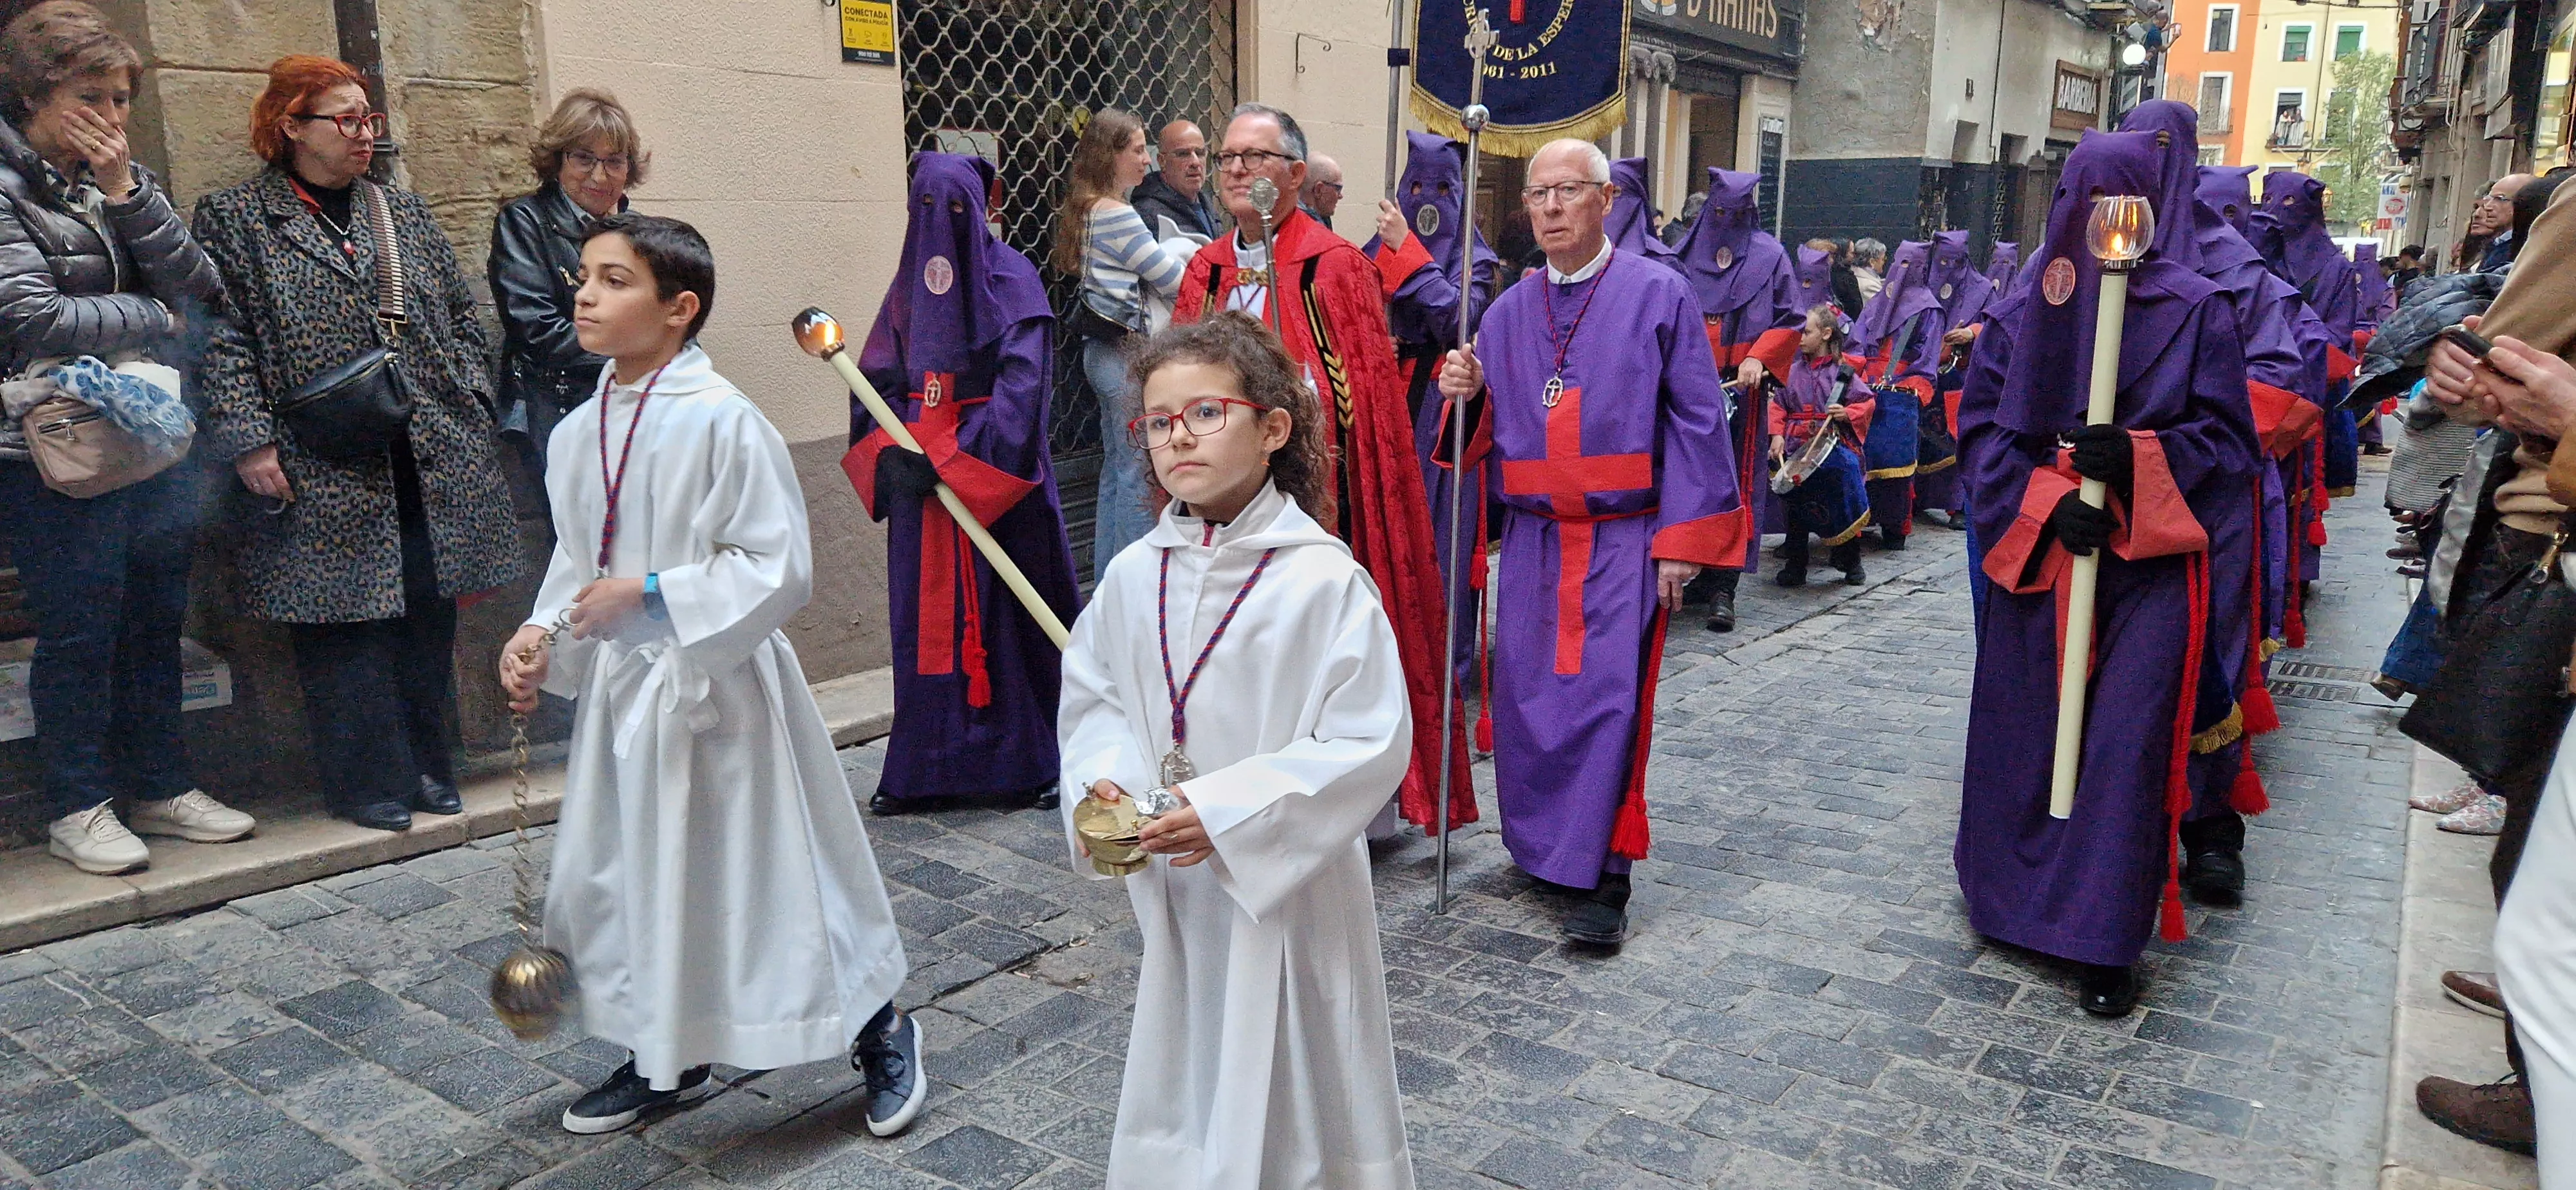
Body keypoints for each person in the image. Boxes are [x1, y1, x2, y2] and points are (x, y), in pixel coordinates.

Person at [497, 212, 923, 1139]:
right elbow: (577, 561)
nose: (585, 294)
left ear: (679, 309)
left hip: (722, 692)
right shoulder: (577, 433)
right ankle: (667, 1052)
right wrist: (539, 633)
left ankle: (879, 1023)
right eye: (584, 276)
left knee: (778, 876)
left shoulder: (727, 423)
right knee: (647, 878)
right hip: (626, 699)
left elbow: (778, 566)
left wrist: (652, 593)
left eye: (615, 280)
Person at [1058, 312, 1417, 1189]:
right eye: (1157, 420)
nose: (1178, 435)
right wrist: (1104, 781)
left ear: (1273, 427)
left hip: (1288, 891)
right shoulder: (1136, 574)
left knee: (1298, 1072)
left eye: (1206, 413)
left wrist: (1227, 812)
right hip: (1182, 889)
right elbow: (1097, 696)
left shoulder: (1321, 580)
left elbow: (1369, 740)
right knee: (1192, 1063)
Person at [1956, 129, 2264, 1019]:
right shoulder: (2022, 317)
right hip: (2043, 560)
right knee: (2024, 731)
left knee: (2126, 749)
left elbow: (2229, 441)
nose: (2097, 226)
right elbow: (1984, 435)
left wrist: (2138, 458)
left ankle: (2100, 935)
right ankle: (2011, 899)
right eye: (2079, 204)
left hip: (2147, 569)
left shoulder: (2197, 309)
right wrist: (2049, 499)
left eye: (2117, 205)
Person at [194, 55, 520, 833]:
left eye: (368, 119)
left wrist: (471, 397)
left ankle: (430, 767)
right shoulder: (236, 218)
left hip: (428, 448)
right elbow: (222, 339)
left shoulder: (399, 212)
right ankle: (363, 781)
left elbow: (459, 311)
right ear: (290, 128)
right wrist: (248, 440)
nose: (363, 134)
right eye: (344, 120)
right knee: (342, 629)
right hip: (317, 455)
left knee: (425, 612)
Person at [1435, 138, 1748, 946]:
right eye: (1536, 196)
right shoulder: (1504, 312)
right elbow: (1480, 438)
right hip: (1536, 543)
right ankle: (1542, 848)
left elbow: (1694, 419)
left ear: (1605, 201)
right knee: (1531, 701)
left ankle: (1606, 874)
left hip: (1623, 537)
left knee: (1608, 701)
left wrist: (1683, 538)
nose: (1547, 208)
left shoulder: (1657, 293)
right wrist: (1462, 394)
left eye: (1567, 192)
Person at [1171, 101, 1470, 836]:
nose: (1238, 170)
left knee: (1318, 647)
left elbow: (1365, 398)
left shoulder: (1335, 267)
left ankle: (1349, 807)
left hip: (1319, 498)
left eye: (1257, 157)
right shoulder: (1205, 269)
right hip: (1226, 503)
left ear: (1296, 175)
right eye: (1228, 158)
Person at [0, 0, 245, 874]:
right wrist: (149, 313)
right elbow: (31, 313)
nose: (110, 119)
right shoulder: (5, 186)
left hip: (143, 433)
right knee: (82, 625)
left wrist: (127, 196)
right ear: (35, 92)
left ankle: (162, 784)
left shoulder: (116, 180)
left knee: (154, 616)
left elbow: (200, 281)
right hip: (47, 448)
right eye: (91, 97)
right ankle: (77, 802)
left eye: (120, 100)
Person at [2412, 172, 2576, 1156]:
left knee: (2545, 917)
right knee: (2537, 873)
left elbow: (2490, 371)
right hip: (2544, 539)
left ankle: (2538, 1078)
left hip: (2547, 546)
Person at [862, 154, 1082, 814]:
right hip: (919, 489)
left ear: (985, 207)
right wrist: (892, 452)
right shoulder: (904, 287)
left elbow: (1022, 391)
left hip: (995, 487)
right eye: (926, 210)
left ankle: (1026, 759)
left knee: (1007, 622)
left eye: (955, 209)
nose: (940, 227)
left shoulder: (1013, 281)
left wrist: (956, 460)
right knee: (923, 629)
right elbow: (874, 378)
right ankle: (922, 768)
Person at [1366, 130, 1498, 695]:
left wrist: (1412, 259)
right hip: (1385, 406)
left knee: (1443, 540)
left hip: (1446, 410)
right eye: (1415, 187)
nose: (1426, 203)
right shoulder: (1371, 251)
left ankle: (1445, 667)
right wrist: (1378, 338)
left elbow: (1461, 321)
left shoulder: (1480, 261)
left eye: (1440, 189)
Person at [1052, 108, 1191, 574]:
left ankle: (1108, 580)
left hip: (1102, 355)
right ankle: (1133, 585)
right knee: (1137, 476)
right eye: (1136, 150)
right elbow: (1170, 279)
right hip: (1126, 356)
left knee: (1116, 472)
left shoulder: (1089, 206)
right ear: (1110, 156)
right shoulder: (1118, 215)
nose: (1147, 161)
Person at [1671, 167, 1799, 632]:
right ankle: (1695, 568)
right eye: (1720, 212)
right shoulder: (1684, 252)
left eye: (1736, 213)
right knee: (1688, 480)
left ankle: (1725, 584)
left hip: (1741, 392)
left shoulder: (1770, 256)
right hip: (1687, 387)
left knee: (1735, 484)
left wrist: (1762, 358)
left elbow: (1792, 318)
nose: (1727, 223)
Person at [490, 88, 644, 475]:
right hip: (559, 406)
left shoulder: (643, 233)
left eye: (614, 162)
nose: (599, 175)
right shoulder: (524, 222)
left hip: (638, 401)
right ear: (557, 160)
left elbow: (673, 316)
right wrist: (638, 351)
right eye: (584, 158)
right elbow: (537, 329)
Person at [2262, 172, 2363, 501]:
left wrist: (2299, 352)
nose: (2277, 208)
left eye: (2289, 201)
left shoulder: (2337, 268)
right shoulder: (2254, 254)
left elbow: (2339, 329)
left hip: (2312, 382)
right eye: (2268, 200)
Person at [1767, 303, 1873, 586]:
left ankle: (1851, 560)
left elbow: (1866, 402)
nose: (1799, 337)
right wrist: (1777, 435)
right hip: (1796, 447)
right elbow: (1778, 405)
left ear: (1826, 334)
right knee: (1796, 504)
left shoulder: (1842, 373)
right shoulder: (1790, 371)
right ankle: (1796, 563)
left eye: (1807, 332)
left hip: (1832, 447)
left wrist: (1847, 414)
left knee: (1843, 491)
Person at [1850, 240, 1942, 551]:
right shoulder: (1878, 302)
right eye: (1898, 263)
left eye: (1910, 265)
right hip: (1864, 387)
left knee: (1895, 463)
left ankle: (1894, 526)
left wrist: (1908, 387)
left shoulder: (1928, 308)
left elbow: (1927, 359)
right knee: (1858, 458)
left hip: (1901, 390)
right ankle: (1858, 522)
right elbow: (1857, 342)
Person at [1918, 229, 1992, 530]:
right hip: (1924, 372)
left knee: (1957, 438)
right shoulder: (1923, 281)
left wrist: (1971, 332)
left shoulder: (1983, 288)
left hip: (1962, 374)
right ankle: (1917, 499)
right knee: (1921, 438)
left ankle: (1958, 505)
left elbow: (1995, 321)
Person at [1130, 118, 1217, 241]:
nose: (1196, 162)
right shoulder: (1147, 215)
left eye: (1200, 153)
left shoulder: (1206, 203)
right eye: (1183, 154)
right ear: (1162, 161)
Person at [1604, 155, 1675, 264]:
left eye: (1614, 192)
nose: (1607, 201)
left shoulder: (1662, 261)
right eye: (1603, 193)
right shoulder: (1579, 254)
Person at [2476, 174, 2537, 273]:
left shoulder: (2526, 247)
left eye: (2500, 199)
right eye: (2489, 199)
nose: (2488, 207)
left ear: (2525, 202)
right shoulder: (2497, 244)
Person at [1300, 149, 1343, 231]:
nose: (1341, 196)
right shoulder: (1305, 229)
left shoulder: (1323, 218)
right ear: (1318, 190)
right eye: (1338, 188)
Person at [1828, 237, 1867, 319]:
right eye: (1852, 253)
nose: (1854, 256)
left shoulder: (1826, 275)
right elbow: (1856, 308)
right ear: (1842, 254)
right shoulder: (1848, 278)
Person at [1851, 237, 1888, 301]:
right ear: (1872, 262)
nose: (1884, 262)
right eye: (1883, 259)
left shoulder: (1855, 275)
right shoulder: (1869, 286)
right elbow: (1884, 307)